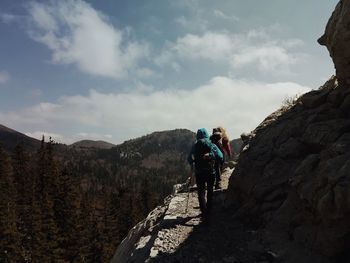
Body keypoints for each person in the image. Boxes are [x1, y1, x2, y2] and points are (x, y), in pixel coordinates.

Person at [188, 128, 223, 220]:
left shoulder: (195, 145)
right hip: (211, 171)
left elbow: (189, 159)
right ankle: (209, 210)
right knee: (210, 191)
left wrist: (193, 162)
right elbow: (220, 156)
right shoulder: (211, 143)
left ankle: (204, 213)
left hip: (199, 172)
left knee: (201, 192)